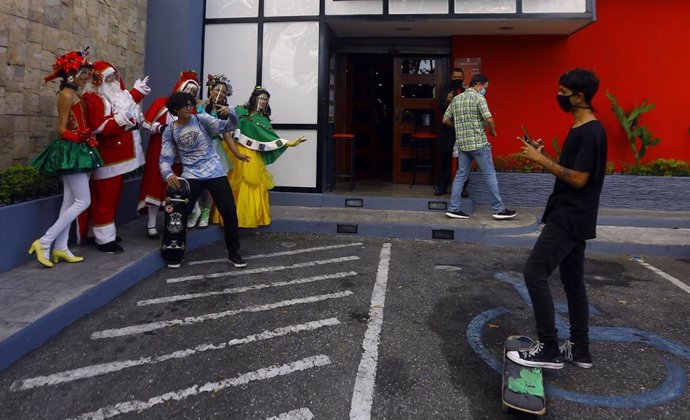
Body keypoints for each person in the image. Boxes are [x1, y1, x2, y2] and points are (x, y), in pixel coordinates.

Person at [506, 68, 607, 370]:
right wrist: (544, 154)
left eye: (563, 93)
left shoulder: (590, 132)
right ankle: (580, 349)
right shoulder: (582, 130)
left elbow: (577, 179)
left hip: (569, 215)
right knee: (573, 281)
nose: (559, 97)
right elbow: (571, 170)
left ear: (579, 97)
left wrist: (541, 161)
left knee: (533, 273)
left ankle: (549, 348)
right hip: (577, 215)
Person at [29, 48, 104, 268]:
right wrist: (80, 136)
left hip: (78, 148)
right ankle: (44, 242)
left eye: (88, 74)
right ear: (71, 74)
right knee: (84, 201)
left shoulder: (75, 94)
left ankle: (60, 247)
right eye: (83, 73)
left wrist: (85, 136)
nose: (87, 77)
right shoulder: (66, 95)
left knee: (69, 201)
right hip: (71, 150)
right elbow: (62, 129)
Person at [159, 92, 246, 268]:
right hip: (191, 175)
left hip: (215, 172)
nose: (189, 108)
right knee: (180, 215)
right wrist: (168, 174)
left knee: (229, 211)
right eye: (185, 105)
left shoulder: (201, 119)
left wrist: (229, 113)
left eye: (191, 104)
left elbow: (226, 127)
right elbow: (165, 159)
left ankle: (233, 252)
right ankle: (175, 253)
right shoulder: (170, 130)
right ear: (175, 109)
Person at [78, 61, 150, 253]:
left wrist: (138, 92)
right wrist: (123, 121)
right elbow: (98, 127)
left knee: (111, 196)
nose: (113, 80)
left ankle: (98, 232)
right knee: (105, 198)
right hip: (108, 156)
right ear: (99, 79)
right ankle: (104, 239)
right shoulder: (93, 98)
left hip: (118, 156)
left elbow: (123, 102)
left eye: (114, 76)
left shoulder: (110, 94)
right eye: (109, 78)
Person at [228, 86, 306, 228]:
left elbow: (272, 139)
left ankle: (246, 217)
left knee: (250, 182)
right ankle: (229, 217)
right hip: (233, 151)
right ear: (254, 98)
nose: (263, 101)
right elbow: (224, 115)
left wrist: (291, 143)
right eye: (262, 98)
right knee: (232, 183)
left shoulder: (263, 120)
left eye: (266, 99)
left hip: (251, 155)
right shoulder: (240, 110)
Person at [442, 74, 516, 220]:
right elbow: (488, 119)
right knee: (489, 175)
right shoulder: (479, 98)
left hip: (463, 144)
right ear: (478, 84)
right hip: (479, 144)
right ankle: (498, 210)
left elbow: (445, 120)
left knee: (460, 175)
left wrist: (457, 127)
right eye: (485, 87)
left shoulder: (456, 99)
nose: (485, 91)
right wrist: (493, 131)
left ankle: (453, 208)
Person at [137, 70, 200, 239]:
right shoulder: (161, 103)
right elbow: (145, 123)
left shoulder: (192, 113)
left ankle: (170, 223)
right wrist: (160, 128)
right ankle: (151, 224)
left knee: (174, 190)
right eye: (189, 90)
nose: (190, 95)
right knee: (155, 185)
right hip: (159, 151)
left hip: (180, 157)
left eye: (194, 93)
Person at [195, 74, 250, 227]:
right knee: (195, 180)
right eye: (217, 89)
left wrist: (237, 154)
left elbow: (227, 136)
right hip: (197, 148)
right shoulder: (198, 105)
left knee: (210, 183)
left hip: (214, 148)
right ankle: (195, 210)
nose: (220, 93)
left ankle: (206, 212)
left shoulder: (224, 111)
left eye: (224, 92)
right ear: (210, 90)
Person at [435, 67, 469, 197]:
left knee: (463, 160)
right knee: (445, 159)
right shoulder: (444, 89)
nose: (457, 79)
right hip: (447, 129)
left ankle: (463, 188)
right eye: (455, 77)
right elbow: (441, 106)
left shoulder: (465, 92)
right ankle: (442, 186)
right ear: (451, 77)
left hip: (461, 130)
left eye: (460, 77)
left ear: (463, 78)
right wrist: (448, 100)